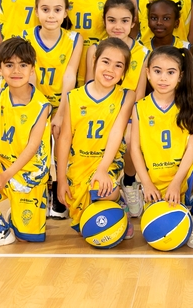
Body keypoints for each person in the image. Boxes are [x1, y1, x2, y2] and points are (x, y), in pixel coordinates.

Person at [131, 46, 193, 248]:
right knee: (158, 233)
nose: (163, 78)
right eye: (157, 71)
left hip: (183, 173)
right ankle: (175, 211)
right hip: (155, 179)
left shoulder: (189, 106)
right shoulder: (140, 108)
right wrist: (146, 183)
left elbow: (191, 149)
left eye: (170, 72)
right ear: (148, 73)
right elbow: (135, 149)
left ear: (180, 76)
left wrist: (176, 182)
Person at [0, 37, 51, 249]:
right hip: (3, 160)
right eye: (9, 64)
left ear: (32, 68)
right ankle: (0, 228)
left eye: (23, 65)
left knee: (26, 239)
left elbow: (32, 147)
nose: (16, 70)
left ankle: (20, 209)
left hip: (30, 171)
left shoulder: (41, 105)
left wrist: (7, 175)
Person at [56, 38, 136, 237]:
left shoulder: (127, 96)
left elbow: (117, 133)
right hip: (79, 165)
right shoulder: (73, 97)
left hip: (107, 161)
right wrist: (61, 179)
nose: (110, 70)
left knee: (102, 189)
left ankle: (119, 204)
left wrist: (102, 169)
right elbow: (65, 139)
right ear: (94, 60)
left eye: (118, 65)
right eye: (106, 61)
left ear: (124, 72)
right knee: (84, 226)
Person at [86, 0, 149, 218]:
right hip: (100, 114)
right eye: (111, 20)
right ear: (104, 21)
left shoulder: (143, 52)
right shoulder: (94, 49)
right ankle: (97, 181)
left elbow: (139, 94)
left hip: (129, 113)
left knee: (132, 138)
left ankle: (129, 182)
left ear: (133, 23)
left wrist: (127, 121)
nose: (118, 26)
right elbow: (88, 87)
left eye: (124, 21)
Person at [22, 0, 82, 219]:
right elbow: (30, 77)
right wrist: (43, 113)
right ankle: (41, 189)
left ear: (65, 12)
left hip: (64, 104)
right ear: (36, 11)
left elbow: (70, 76)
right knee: (38, 144)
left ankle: (59, 189)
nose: (51, 15)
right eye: (45, 9)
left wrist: (60, 113)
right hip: (37, 103)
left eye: (57, 10)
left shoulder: (74, 39)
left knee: (62, 141)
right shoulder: (26, 38)